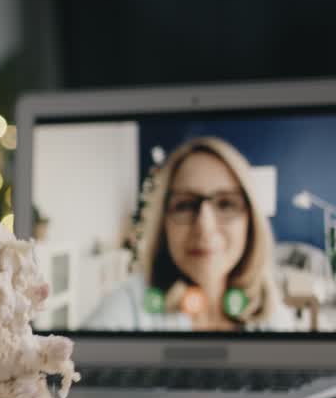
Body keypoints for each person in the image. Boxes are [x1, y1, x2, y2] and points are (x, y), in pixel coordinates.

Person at [84, 136, 297, 331]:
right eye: (185, 205)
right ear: (163, 223)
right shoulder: (129, 304)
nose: (204, 226)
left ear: (251, 223)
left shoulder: (273, 318)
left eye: (225, 204)